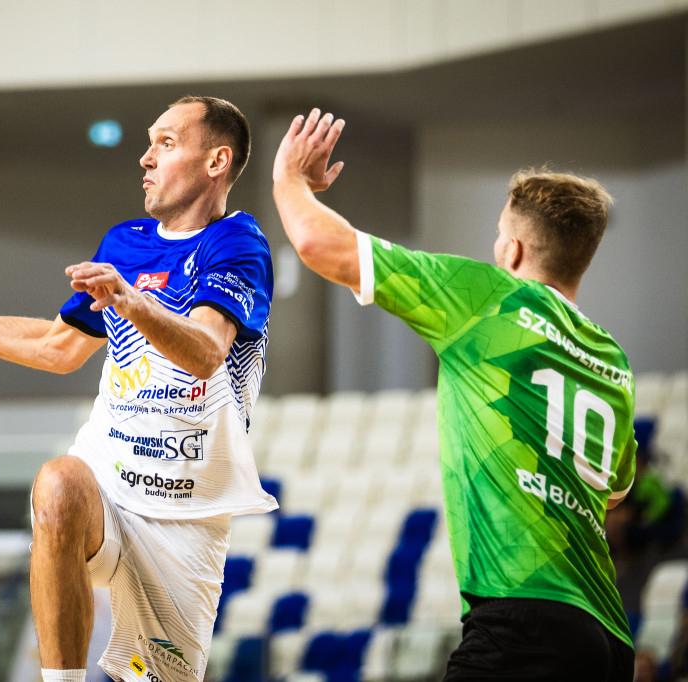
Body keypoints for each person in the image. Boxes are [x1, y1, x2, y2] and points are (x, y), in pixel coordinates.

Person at [0, 95, 277, 682]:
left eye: (166, 142)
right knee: (59, 481)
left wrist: (131, 301)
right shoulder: (123, 243)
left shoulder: (239, 243)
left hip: (184, 519)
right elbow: (56, 348)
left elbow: (207, 353)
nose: (145, 157)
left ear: (217, 161)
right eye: (148, 142)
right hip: (108, 483)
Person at [271, 109, 636, 681]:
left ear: (513, 250)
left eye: (497, 235)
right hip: (607, 640)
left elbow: (319, 243)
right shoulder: (612, 361)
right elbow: (613, 493)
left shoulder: (490, 295)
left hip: (521, 618)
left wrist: (288, 181)